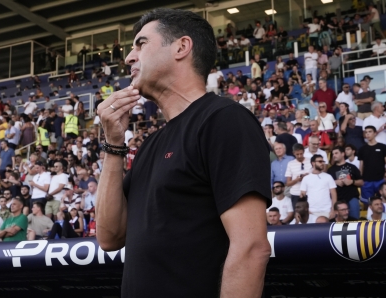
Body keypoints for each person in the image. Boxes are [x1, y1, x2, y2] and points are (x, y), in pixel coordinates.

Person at [96, 9, 271, 297]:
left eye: (140, 44)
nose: (129, 58)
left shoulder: (224, 120)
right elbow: (109, 236)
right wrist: (113, 147)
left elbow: (251, 247)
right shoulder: (150, 146)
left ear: (181, 47)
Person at [327, 146, 363, 220]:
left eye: (336, 153)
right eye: (333, 154)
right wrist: (335, 182)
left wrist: (351, 181)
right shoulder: (330, 170)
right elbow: (325, 184)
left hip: (352, 198)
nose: (334, 155)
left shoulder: (352, 167)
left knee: (355, 222)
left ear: (343, 154)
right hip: (338, 200)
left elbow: (361, 182)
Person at [359, 126, 386, 204]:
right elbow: (361, 165)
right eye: (366, 132)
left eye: (370, 132)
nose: (367, 134)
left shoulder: (382, 147)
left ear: (375, 133)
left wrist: (385, 177)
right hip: (367, 180)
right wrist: (361, 178)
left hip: (381, 179)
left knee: (384, 202)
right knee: (369, 203)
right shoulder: (362, 148)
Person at [300, 154, 337, 218]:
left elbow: (333, 194)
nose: (322, 163)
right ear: (313, 163)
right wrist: (306, 209)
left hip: (327, 211)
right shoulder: (306, 178)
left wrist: (333, 210)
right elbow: (302, 196)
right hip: (311, 211)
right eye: (320, 161)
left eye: (323, 161)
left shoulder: (328, 177)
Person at [285, 143, 313, 208]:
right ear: (293, 153)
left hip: (309, 192)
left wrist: (307, 177)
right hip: (296, 193)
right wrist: (297, 179)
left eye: (301, 153)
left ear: (304, 152)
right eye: (297, 154)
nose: (300, 156)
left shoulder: (310, 161)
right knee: (297, 214)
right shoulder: (290, 164)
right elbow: (288, 183)